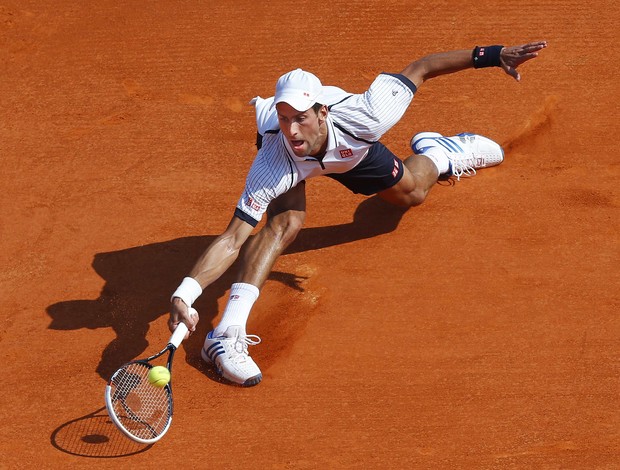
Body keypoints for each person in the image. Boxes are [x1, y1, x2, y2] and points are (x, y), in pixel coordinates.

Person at [168, 41, 547, 386]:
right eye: (284, 118)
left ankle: (440, 152)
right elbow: (234, 237)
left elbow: (422, 67)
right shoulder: (275, 153)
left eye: (300, 118)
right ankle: (227, 334)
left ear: (322, 112)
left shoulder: (368, 115)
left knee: (410, 194)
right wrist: (185, 294)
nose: (293, 130)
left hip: (349, 149)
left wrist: (494, 55)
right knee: (285, 223)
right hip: (293, 168)